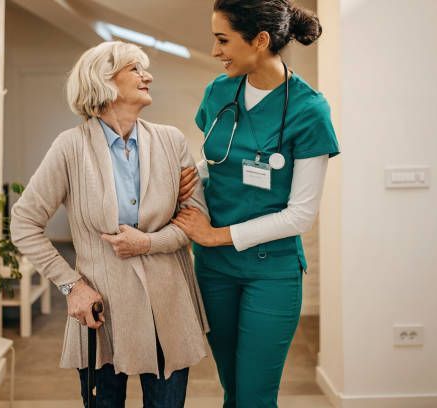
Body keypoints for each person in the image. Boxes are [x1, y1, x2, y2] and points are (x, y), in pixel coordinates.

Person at [10, 41, 209, 408]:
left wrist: (148, 243)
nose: (147, 75)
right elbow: (23, 222)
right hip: (102, 314)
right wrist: (71, 286)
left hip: (169, 307)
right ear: (104, 79)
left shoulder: (171, 141)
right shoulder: (70, 147)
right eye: (135, 68)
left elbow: (195, 220)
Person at [172, 1, 340, 406]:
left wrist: (214, 236)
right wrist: (189, 175)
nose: (215, 52)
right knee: (231, 388)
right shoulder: (219, 92)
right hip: (214, 271)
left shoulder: (308, 110)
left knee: (254, 396)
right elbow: (218, 160)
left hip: (272, 271)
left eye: (222, 40)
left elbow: (300, 215)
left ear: (260, 40)